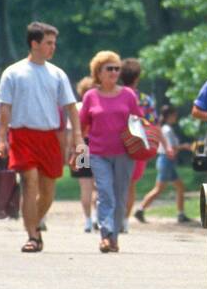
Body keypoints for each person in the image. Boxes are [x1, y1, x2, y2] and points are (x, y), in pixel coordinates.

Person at [0, 22, 83, 252]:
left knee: (47, 192)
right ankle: (32, 236)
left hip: (49, 137)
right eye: (48, 43)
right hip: (22, 135)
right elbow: (5, 107)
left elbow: (71, 108)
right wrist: (2, 138)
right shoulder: (13, 72)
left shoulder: (57, 74)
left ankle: (33, 222)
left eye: (54, 43)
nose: (52, 47)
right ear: (34, 44)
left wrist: (78, 138)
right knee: (29, 181)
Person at [79, 50, 143, 253]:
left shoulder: (128, 95)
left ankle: (114, 237)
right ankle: (106, 234)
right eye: (110, 68)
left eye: (117, 68)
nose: (115, 72)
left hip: (125, 153)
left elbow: (138, 120)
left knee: (120, 194)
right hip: (98, 153)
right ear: (99, 71)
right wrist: (77, 149)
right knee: (105, 193)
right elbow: (82, 125)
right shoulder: (90, 96)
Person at [136, 105, 192, 223]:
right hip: (166, 161)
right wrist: (184, 146)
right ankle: (140, 210)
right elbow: (171, 147)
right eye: (174, 115)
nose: (175, 117)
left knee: (180, 187)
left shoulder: (166, 128)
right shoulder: (166, 129)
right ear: (170, 116)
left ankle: (181, 214)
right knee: (158, 189)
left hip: (168, 162)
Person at [121, 57, 156, 227]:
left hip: (118, 143)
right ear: (137, 78)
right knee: (130, 185)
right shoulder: (145, 100)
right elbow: (152, 122)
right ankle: (125, 221)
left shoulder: (115, 95)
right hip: (138, 144)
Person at [70, 75, 96, 231]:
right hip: (98, 144)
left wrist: (71, 150)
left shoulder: (77, 107)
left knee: (85, 186)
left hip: (81, 147)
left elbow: (71, 132)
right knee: (100, 184)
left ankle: (87, 220)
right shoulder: (100, 104)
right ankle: (98, 217)